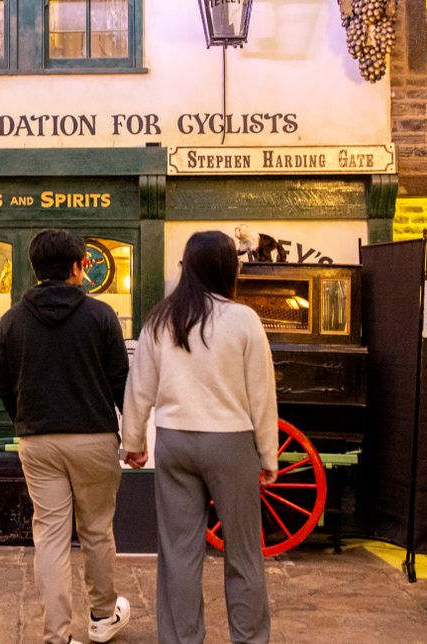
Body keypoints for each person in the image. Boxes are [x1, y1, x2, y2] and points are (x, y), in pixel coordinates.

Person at [122, 230, 277, 644]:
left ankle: (181, 639)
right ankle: (249, 639)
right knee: (244, 553)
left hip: (175, 441)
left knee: (178, 554)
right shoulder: (243, 319)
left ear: (187, 267)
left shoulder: (160, 318)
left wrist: (133, 441)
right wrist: (268, 455)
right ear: (229, 268)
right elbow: (262, 393)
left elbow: (139, 388)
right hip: (230, 442)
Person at [0, 228, 133, 644]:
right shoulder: (101, 315)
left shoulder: (12, 319)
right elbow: (121, 382)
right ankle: (103, 618)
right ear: (76, 267)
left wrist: (24, 422)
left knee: (50, 537)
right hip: (94, 437)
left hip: (38, 440)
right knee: (96, 530)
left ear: (36, 269)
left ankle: (57, 636)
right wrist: (135, 435)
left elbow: (3, 383)